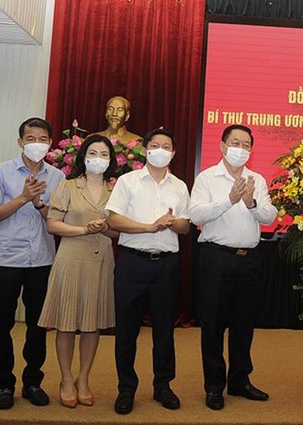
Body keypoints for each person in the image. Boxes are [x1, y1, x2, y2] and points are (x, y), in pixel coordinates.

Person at [189, 124, 277, 411]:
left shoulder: (257, 179)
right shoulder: (207, 178)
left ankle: (240, 381)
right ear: (223, 146)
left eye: (246, 144)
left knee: (244, 324)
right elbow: (195, 214)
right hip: (216, 257)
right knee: (213, 325)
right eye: (235, 143)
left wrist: (250, 202)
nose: (241, 148)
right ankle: (214, 386)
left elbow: (270, 217)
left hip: (249, 259)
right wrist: (229, 200)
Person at [105, 128, 190, 414]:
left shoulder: (179, 186)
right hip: (132, 262)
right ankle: (126, 388)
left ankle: (163, 386)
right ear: (146, 150)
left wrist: (172, 222)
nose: (161, 149)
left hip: (166, 265)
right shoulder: (128, 181)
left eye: (166, 146)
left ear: (173, 153)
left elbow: (185, 227)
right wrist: (149, 227)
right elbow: (114, 219)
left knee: (164, 329)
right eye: (155, 145)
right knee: (127, 329)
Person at [0, 117, 65, 410]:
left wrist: (40, 204)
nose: (36, 144)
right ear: (20, 142)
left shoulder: (58, 177)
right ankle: (4, 383)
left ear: (50, 143)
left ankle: (33, 381)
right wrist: (22, 197)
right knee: (3, 324)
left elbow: (59, 221)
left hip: (43, 261)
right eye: (31, 138)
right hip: (7, 259)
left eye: (42, 138)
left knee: (37, 325)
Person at [37, 135, 120, 408]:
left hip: (102, 261)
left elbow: (121, 231)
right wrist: (83, 229)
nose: (98, 158)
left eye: (104, 154)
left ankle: (84, 379)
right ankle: (66, 379)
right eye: (93, 152)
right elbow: (53, 224)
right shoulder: (67, 186)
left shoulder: (117, 190)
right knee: (66, 323)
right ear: (84, 156)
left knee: (91, 323)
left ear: (111, 160)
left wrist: (105, 228)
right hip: (71, 259)